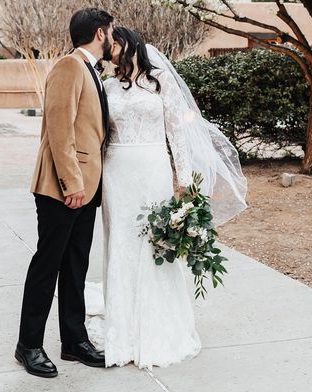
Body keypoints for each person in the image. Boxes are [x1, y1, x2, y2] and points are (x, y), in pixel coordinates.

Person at [99, 26, 247, 369]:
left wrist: (184, 180)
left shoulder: (161, 80)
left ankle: (157, 323)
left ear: (130, 43)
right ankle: (122, 325)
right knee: (121, 241)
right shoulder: (107, 86)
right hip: (117, 172)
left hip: (153, 168)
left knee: (153, 242)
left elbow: (177, 131)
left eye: (115, 43)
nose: (111, 49)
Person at [15, 7, 114, 378]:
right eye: (111, 32)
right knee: (48, 264)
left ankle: (74, 341)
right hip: (62, 188)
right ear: (101, 33)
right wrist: (72, 183)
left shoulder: (91, 70)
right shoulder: (68, 66)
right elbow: (59, 130)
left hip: (86, 187)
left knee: (76, 265)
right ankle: (28, 345)